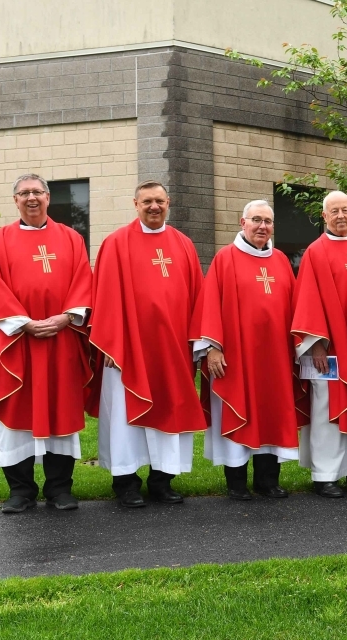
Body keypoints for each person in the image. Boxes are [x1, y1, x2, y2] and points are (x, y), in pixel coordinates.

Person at [0, 174, 92, 513]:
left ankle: (59, 489)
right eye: (24, 193)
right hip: (16, 342)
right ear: (15, 200)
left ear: (47, 198)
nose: (31, 198)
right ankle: (21, 491)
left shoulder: (71, 238)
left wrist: (65, 317)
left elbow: (84, 279)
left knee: (60, 410)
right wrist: (22, 322)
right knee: (14, 411)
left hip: (60, 340)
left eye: (37, 192)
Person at [88, 180, 206, 508]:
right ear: (135, 204)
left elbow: (198, 297)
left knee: (169, 412)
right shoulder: (116, 243)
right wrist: (112, 343)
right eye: (147, 202)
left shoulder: (183, 245)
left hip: (172, 350)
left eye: (159, 201)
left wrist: (196, 345)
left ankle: (162, 480)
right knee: (124, 417)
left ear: (169, 203)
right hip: (127, 351)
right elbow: (105, 295)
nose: (154, 207)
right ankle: (125, 483)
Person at [193, 200, 299, 499]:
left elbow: (294, 309)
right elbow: (210, 304)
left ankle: (268, 480)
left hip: (274, 358)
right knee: (237, 408)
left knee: (271, 415)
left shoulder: (280, 261)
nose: (262, 226)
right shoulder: (225, 258)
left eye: (267, 221)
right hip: (236, 357)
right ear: (243, 223)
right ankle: (236, 482)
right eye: (256, 220)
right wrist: (213, 348)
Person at [291, 191, 347, 498]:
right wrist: (315, 344)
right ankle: (325, 474)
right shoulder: (315, 251)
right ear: (324, 216)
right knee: (327, 407)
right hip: (327, 347)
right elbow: (309, 300)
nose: (341, 216)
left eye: (346, 210)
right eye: (334, 211)